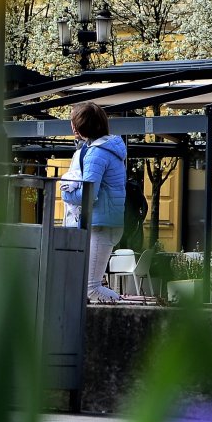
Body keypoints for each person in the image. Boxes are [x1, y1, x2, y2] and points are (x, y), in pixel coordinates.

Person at [60, 102, 127, 303]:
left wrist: (65, 194)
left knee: (91, 289)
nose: (72, 127)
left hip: (101, 225)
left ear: (79, 127)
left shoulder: (96, 154)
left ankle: (126, 313)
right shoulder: (108, 148)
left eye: (73, 123)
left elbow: (88, 195)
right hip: (106, 222)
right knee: (84, 286)